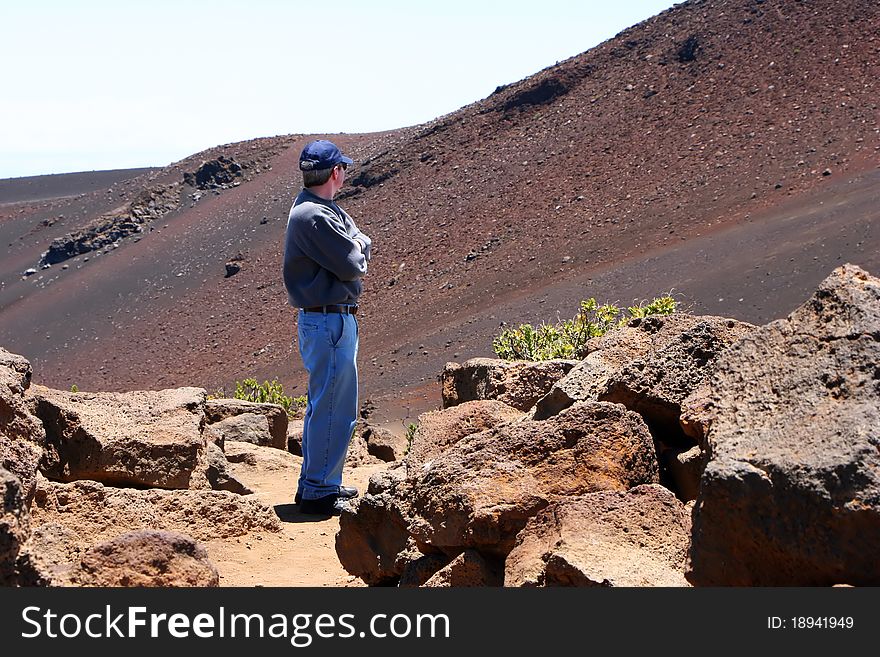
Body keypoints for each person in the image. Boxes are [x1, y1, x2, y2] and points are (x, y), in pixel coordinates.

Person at [282, 139, 372, 516]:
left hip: (329, 317)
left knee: (327, 402)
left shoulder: (322, 209)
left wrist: (356, 242)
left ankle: (319, 482)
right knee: (334, 405)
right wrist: (359, 243)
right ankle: (319, 489)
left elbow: (355, 243)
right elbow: (354, 260)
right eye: (344, 169)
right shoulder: (315, 216)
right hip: (329, 320)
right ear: (336, 172)